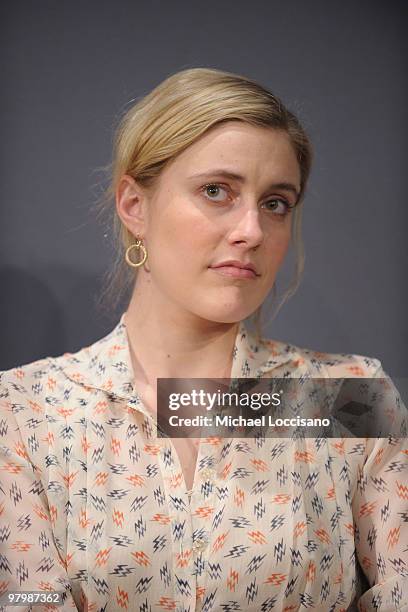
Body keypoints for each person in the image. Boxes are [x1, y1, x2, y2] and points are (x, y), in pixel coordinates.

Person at [0, 67, 406, 612]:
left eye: (275, 203)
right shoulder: (25, 412)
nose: (252, 232)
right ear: (134, 206)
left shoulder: (348, 398)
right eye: (216, 191)